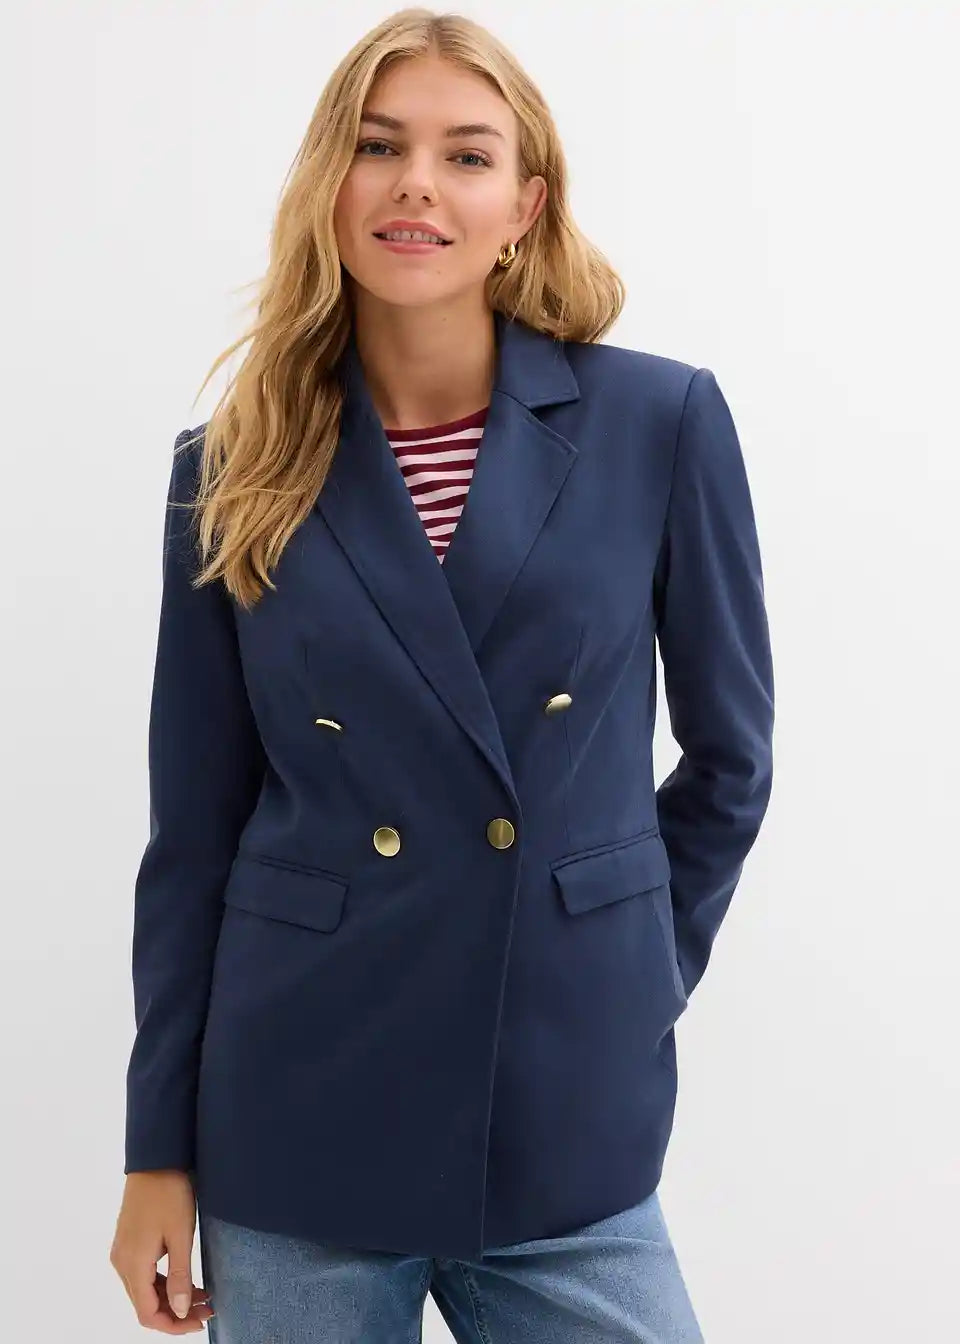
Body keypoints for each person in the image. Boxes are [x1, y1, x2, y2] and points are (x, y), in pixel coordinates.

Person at [109, 7, 775, 1341]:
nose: (417, 183)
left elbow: (730, 762)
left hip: (562, 1105)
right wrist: (154, 1153)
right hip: (299, 1111)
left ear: (525, 206)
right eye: (378, 146)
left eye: (467, 155)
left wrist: (628, 973)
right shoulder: (230, 467)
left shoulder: (657, 423)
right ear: (328, 184)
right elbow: (193, 835)